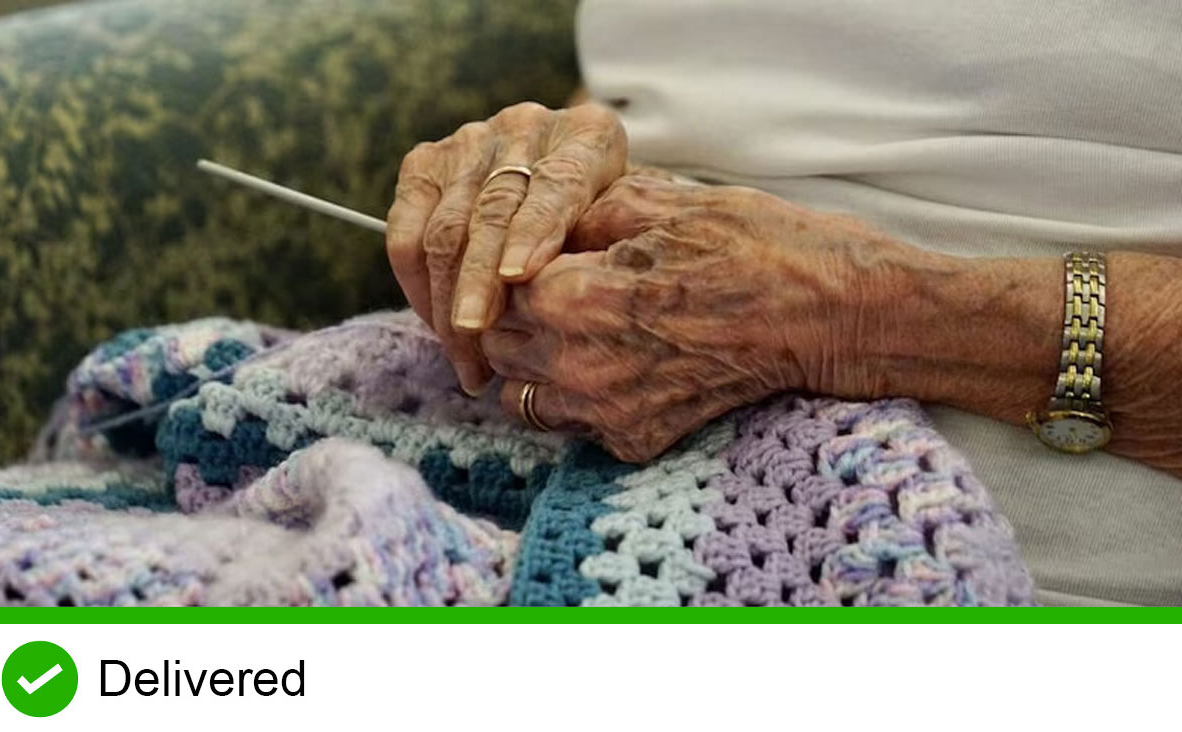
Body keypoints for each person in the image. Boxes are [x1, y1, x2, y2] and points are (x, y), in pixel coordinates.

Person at [384, 0, 1182, 606]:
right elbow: (656, 90)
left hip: (970, 570)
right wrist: (546, 174)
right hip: (532, 464)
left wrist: (850, 311)